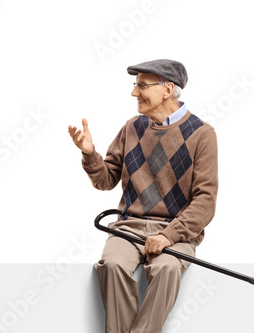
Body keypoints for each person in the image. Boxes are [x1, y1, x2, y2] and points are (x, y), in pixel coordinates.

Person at [68, 59, 218, 333]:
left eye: (142, 85)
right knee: (111, 265)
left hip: (175, 232)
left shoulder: (202, 134)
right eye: (135, 85)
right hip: (128, 228)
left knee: (166, 270)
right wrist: (90, 154)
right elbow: (105, 180)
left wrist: (168, 236)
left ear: (168, 89)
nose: (134, 92)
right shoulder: (132, 127)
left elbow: (205, 201)